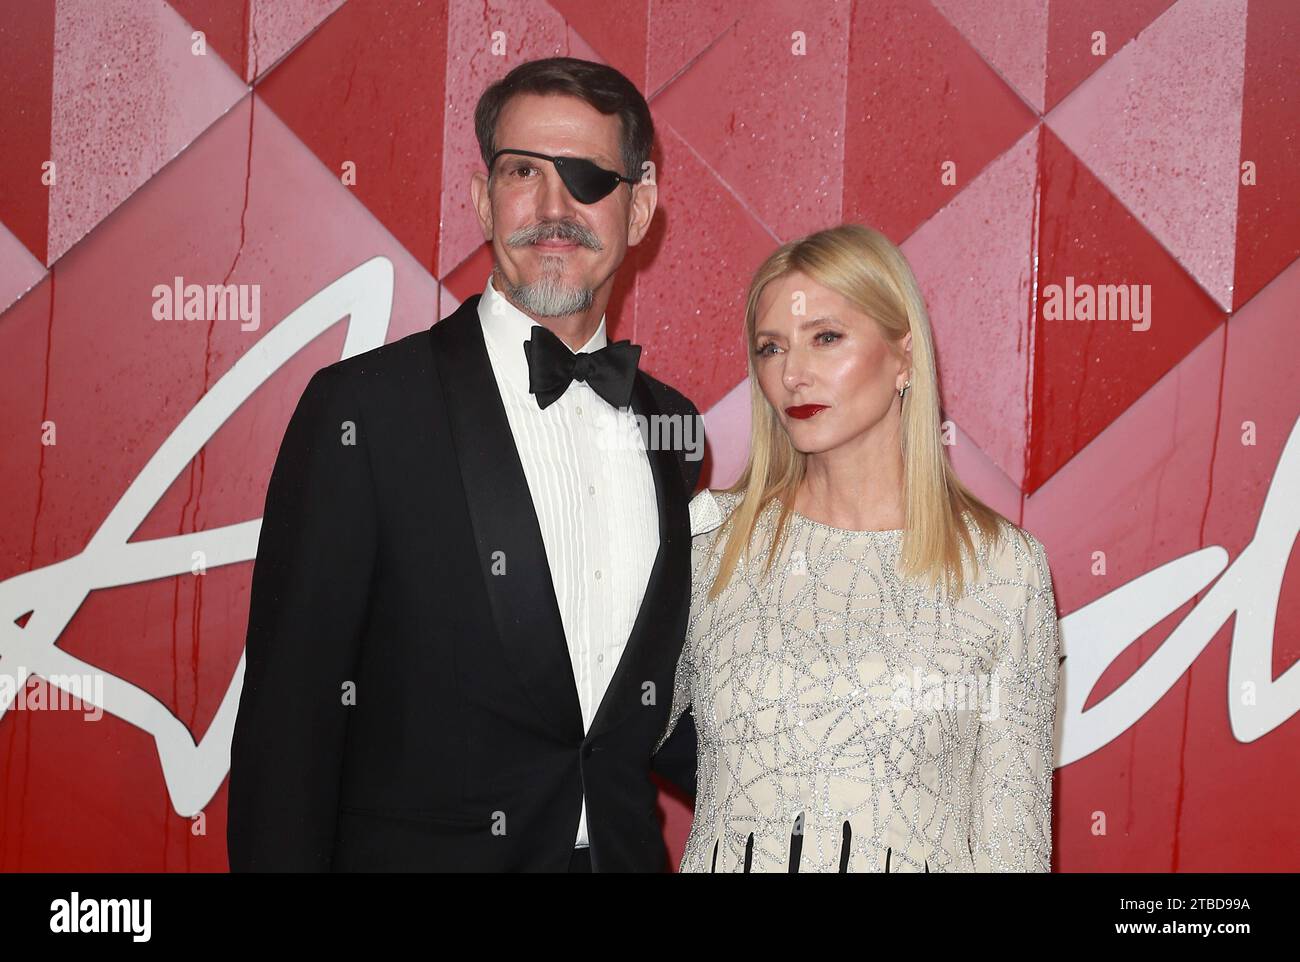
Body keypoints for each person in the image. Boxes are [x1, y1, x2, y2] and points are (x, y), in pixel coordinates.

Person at [228, 56, 703, 872]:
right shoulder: (365, 411)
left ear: (641, 207)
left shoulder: (674, 429)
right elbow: (289, 732)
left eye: (588, 178)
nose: (555, 210)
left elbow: (660, 708)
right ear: (485, 200)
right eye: (523, 172)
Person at [653, 223, 1062, 872]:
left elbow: (1013, 840)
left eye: (826, 338)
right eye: (770, 347)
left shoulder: (1002, 570)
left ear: (903, 357)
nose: (792, 373)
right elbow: (595, 746)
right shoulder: (710, 549)